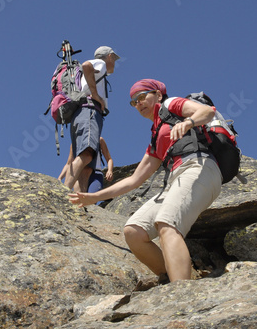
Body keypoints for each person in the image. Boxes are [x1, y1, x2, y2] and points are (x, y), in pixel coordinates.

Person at [69, 79, 222, 282]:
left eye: (142, 96)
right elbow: (134, 180)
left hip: (199, 167)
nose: (138, 103)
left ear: (158, 95)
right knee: (134, 231)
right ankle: (177, 277)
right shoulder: (156, 135)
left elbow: (208, 111)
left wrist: (188, 122)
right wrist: (94, 196)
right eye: (134, 101)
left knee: (166, 223)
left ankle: (182, 296)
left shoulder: (171, 104)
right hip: (175, 179)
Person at [63, 46, 120, 191]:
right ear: (109, 56)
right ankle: (63, 192)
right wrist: (95, 95)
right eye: (114, 58)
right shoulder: (99, 63)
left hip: (82, 112)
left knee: (87, 166)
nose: (114, 62)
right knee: (87, 154)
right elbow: (86, 65)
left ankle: (78, 200)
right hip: (89, 111)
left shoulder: (98, 71)